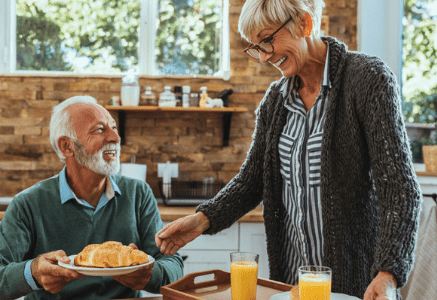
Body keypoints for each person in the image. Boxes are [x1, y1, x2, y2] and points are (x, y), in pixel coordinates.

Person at [155, 0, 422, 299]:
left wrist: (388, 274)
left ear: (304, 24)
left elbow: (400, 190)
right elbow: (251, 181)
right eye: (256, 47)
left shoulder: (368, 80)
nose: (264, 57)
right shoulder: (275, 100)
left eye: (267, 40)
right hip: (291, 286)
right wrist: (202, 220)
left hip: (360, 285)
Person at [0, 96, 184, 299]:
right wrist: (33, 273)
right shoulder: (29, 204)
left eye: (114, 128)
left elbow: (172, 263)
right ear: (67, 146)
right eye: (100, 130)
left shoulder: (138, 194)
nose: (115, 138)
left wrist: (149, 275)